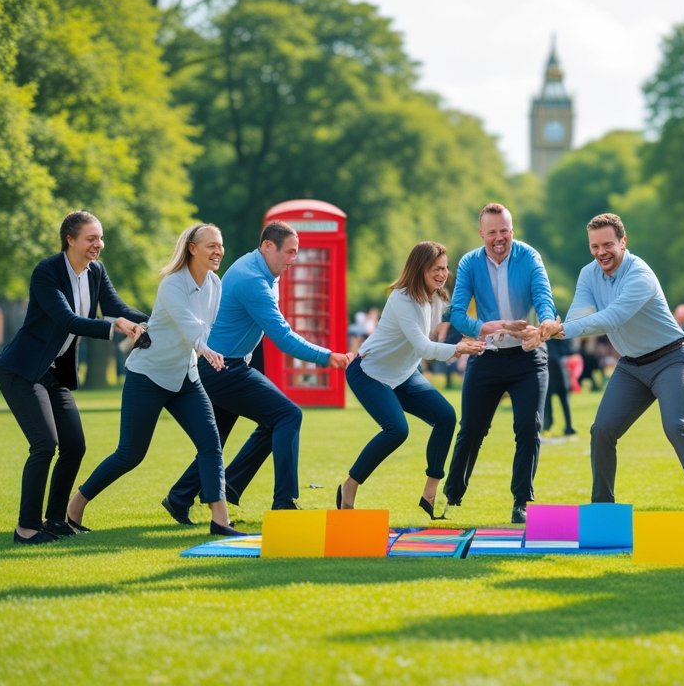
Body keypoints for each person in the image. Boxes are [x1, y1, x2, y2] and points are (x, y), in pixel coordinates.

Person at [537, 213, 684, 531]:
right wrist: (549, 328)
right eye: (594, 246)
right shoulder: (588, 274)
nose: (601, 252)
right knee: (602, 430)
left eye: (608, 244)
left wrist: (561, 329)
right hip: (631, 366)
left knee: (677, 426)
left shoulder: (640, 274)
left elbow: (612, 317)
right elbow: (580, 316)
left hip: (672, 359)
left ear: (623, 242)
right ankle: (602, 510)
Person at [162, 221, 352, 521]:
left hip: (225, 365)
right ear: (267, 246)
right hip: (222, 367)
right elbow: (283, 336)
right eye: (289, 252)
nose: (293, 259)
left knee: (220, 439)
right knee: (288, 415)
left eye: (297, 252)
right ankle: (284, 502)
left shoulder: (261, 271)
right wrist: (327, 356)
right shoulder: (252, 279)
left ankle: (182, 496)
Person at [66, 225, 243, 536]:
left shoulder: (214, 283)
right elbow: (189, 326)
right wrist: (205, 350)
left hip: (186, 377)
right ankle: (76, 504)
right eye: (211, 246)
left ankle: (220, 522)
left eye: (220, 245)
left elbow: (209, 328)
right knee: (130, 454)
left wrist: (227, 352)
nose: (218, 251)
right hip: (148, 375)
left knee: (211, 445)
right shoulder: (173, 284)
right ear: (192, 249)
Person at [0, 211, 148, 545]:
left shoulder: (96, 271)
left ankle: (54, 520)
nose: (99, 244)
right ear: (70, 240)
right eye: (91, 238)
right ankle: (26, 528)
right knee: (44, 444)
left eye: (100, 238)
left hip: (53, 374)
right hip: (22, 370)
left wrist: (156, 320)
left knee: (75, 446)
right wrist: (115, 326)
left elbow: (115, 306)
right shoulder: (47, 272)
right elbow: (67, 320)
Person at [336, 242, 484, 516]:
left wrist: (497, 329)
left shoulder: (436, 298)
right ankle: (350, 486)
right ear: (419, 269)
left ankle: (429, 494)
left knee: (446, 417)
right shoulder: (401, 299)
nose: (442, 274)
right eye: (436, 269)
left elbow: (462, 319)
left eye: (445, 268)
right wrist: (459, 349)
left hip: (404, 374)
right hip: (369, 373)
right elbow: (424, 348)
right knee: (397, 430)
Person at [443, 204, 557, 524]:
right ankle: (453, 492)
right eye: (492, 232)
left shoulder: (529, 257)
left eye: (504, 231)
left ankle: (521, 501)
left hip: (528, 357)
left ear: (512, 230)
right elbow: (457, 314)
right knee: (472, 428)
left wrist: (545, 324)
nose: (499, 238)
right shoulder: (469, 263)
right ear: (481, 233)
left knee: (528, 426)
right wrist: (487, 327)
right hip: (487, 356)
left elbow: (543, 298)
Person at [543, 335, 576, 436]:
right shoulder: (560, 335)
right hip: (558, 368)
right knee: (564, 399)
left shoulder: (545, 336)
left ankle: (548, 425)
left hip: (550, 368)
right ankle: (568, 426)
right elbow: (569, 350)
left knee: (549, 400)